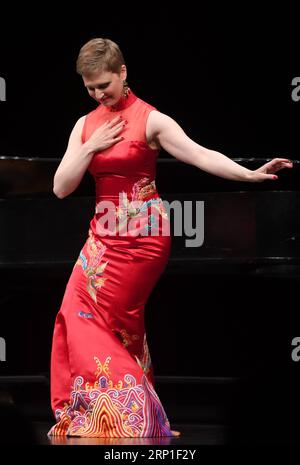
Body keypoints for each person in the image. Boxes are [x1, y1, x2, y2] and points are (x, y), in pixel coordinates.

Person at [48, 38, 293, 438]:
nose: (98, 94)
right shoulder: (85, 125)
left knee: (96, 316)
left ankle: (130, 412)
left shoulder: (150, 120)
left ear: (123, 72)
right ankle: (142, 415)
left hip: (143, 236)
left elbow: (200, 154)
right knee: (106, 319)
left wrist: (249, 174)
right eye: (90, 88)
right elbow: (61, 187)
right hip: (102, 234)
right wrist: (90, 146)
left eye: (104, 85)